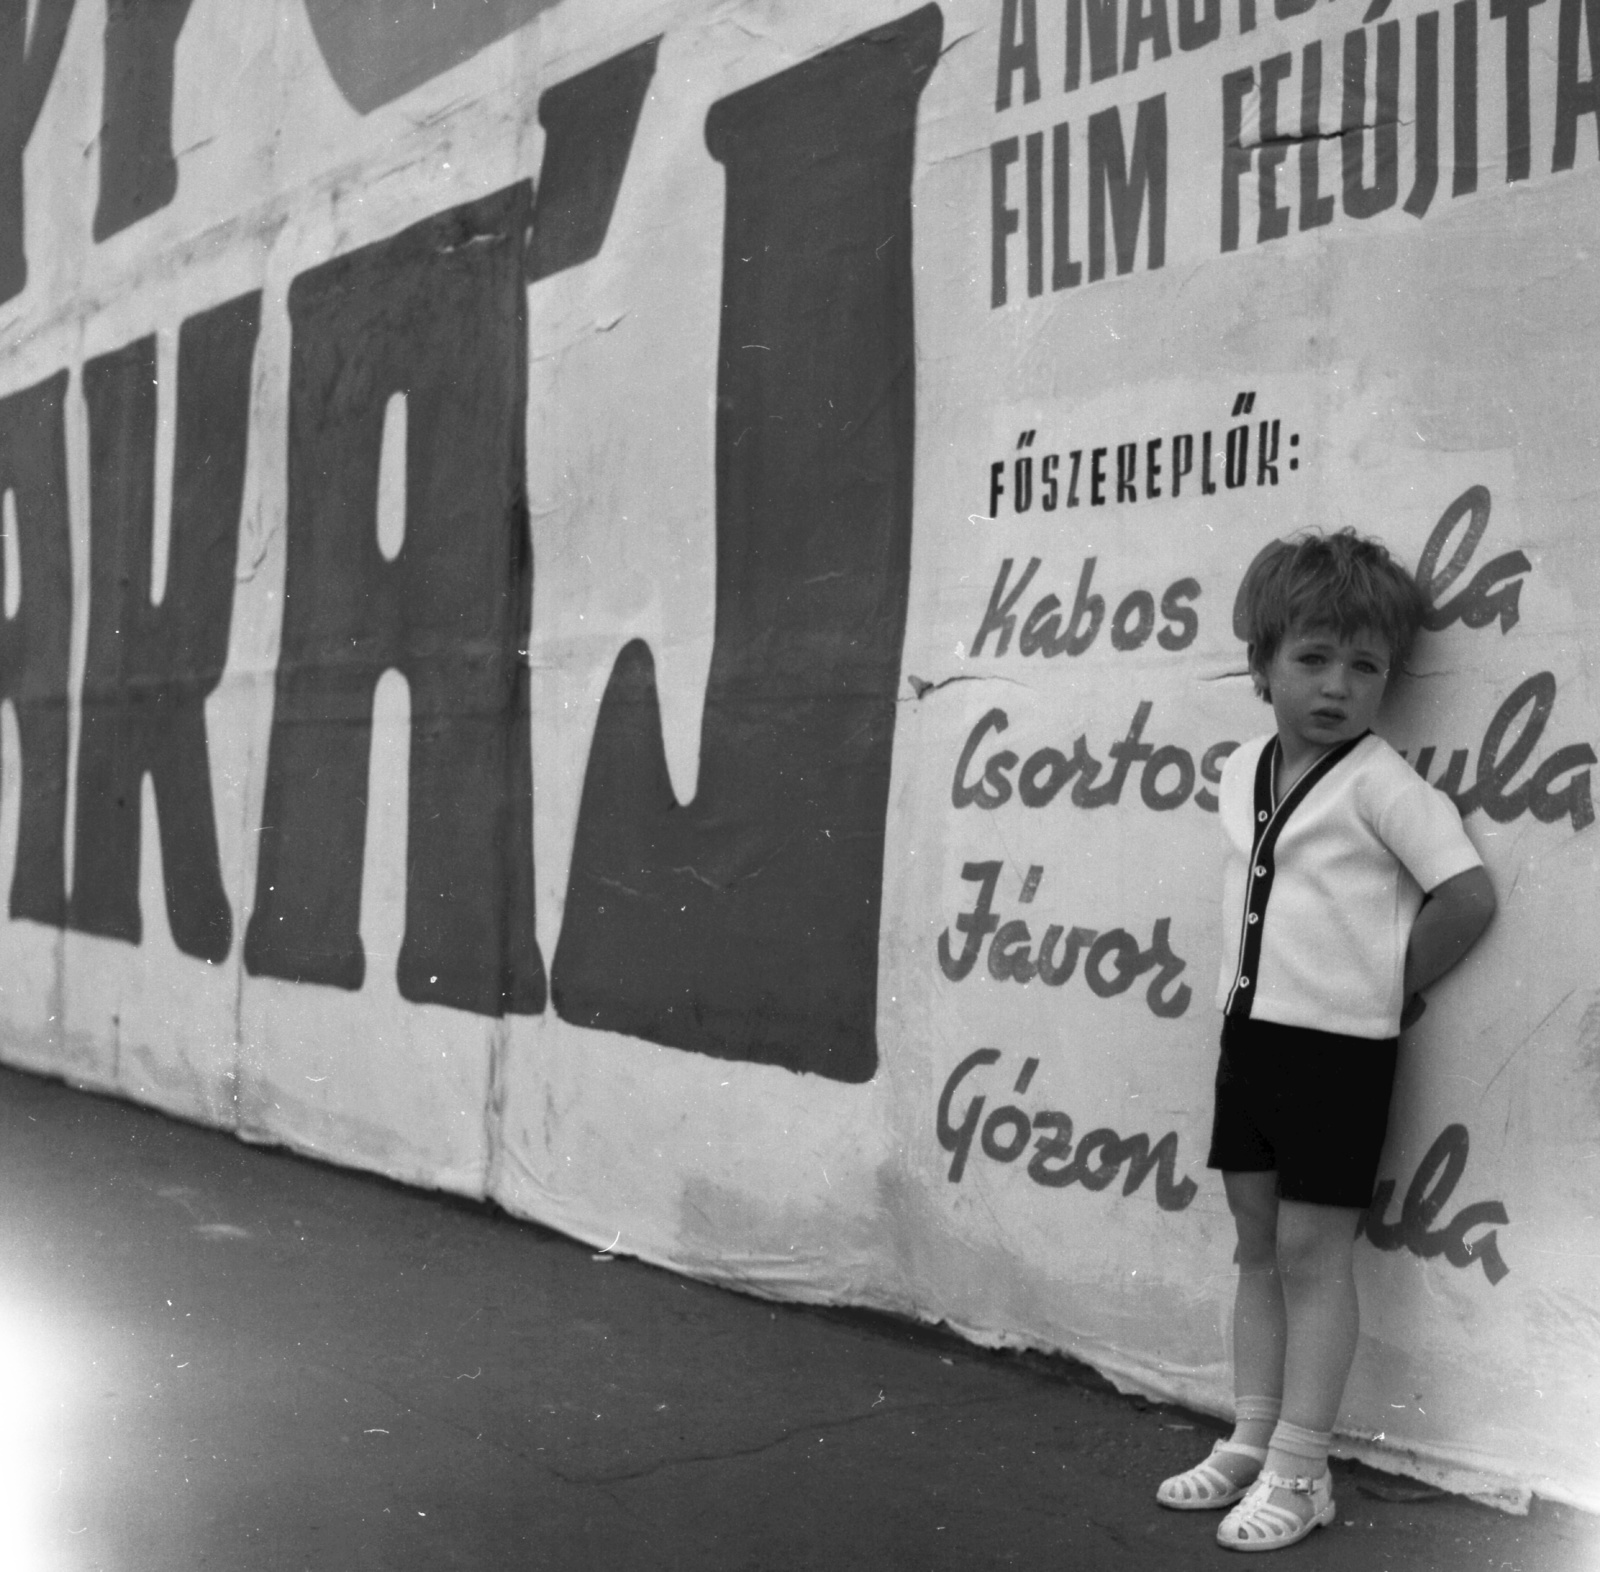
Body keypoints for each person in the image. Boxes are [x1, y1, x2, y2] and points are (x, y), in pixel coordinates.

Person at [1155, 529, 1497, 1552]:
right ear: (1260, 664)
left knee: (1312, 1254)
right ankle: (1252, 1438)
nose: (1338, 686)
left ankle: (1304, 1470)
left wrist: (1377, 989)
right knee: (1255, 1247)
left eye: (1365, 666)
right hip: (1249, 1043)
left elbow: (1466, 894)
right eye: (1311, 659)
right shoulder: (1242, 767)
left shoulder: (1382, 781)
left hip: (1337, 1054)